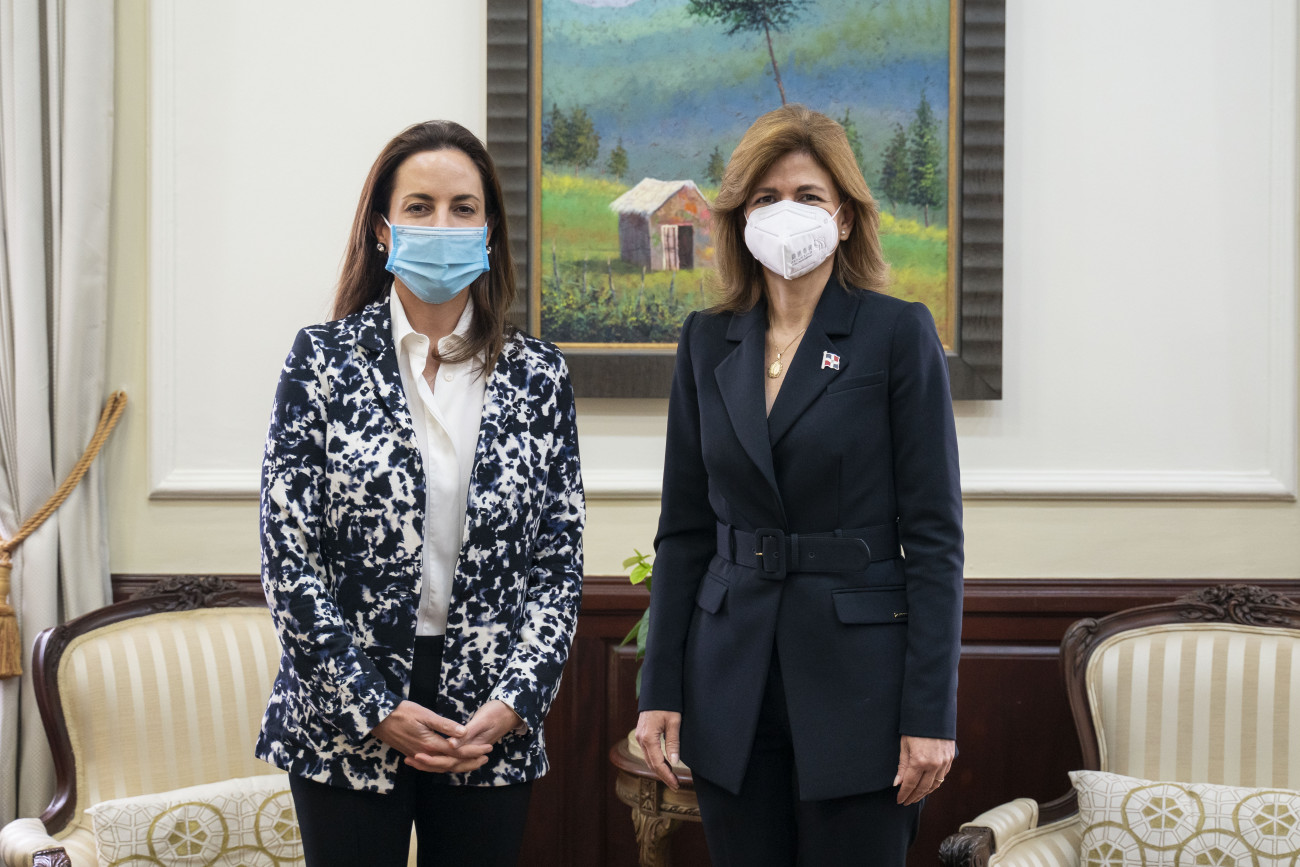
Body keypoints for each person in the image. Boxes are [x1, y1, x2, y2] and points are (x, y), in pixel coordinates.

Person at [635, 104, 963, 866]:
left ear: (844, 218)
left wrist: (931, 713)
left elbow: (936, 539)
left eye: (809, 196)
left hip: (861, 689)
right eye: (767, 197)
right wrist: (660, 690)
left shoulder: (896, 332)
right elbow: (683, 532)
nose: (788, 212)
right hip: (731, 683)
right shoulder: (706, 339)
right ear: (741, 219)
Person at [256, 120, 584, 867]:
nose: (442, 225)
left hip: (487, 718)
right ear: (383, 228)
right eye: (420, 207)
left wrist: (515, 701)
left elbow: (558, 563)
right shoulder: (322, 361)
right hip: (345, 713)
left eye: (463, 208)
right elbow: (289, 557)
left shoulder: (539, 375)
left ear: (490, 230)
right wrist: (372, 706)